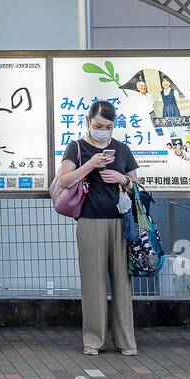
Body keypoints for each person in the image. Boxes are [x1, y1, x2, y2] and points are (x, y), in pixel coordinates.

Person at [54, 100, 140, 356]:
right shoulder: (77, 147)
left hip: (121, 221)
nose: (103, 130)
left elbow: (137, 186)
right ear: (88, 122)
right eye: (98, 125)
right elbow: (65, 179)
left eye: (109, 126)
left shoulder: (122, 149)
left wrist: (122, 178)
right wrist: (91, 164)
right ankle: (93, 339)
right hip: (89, 220)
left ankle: (126, 341)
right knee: (93, 282)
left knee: (123, 282)